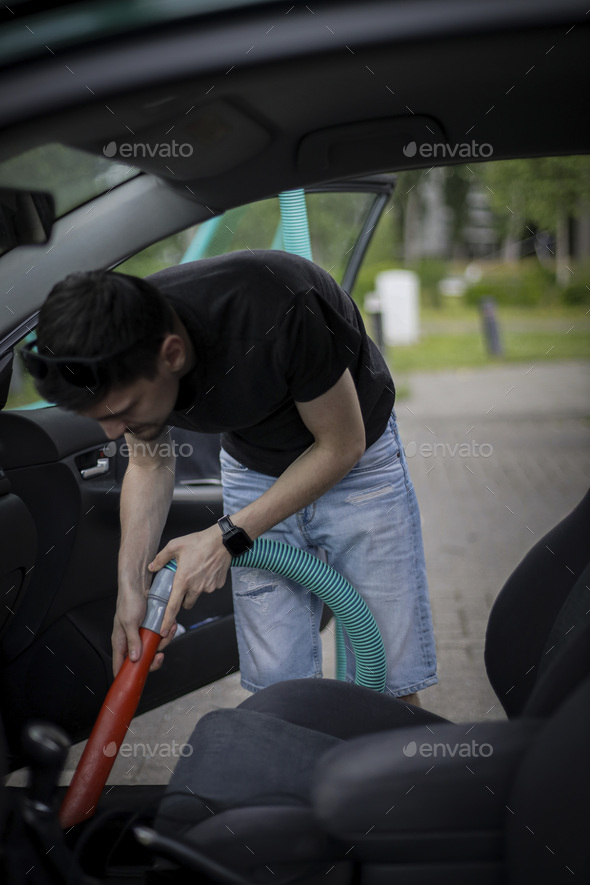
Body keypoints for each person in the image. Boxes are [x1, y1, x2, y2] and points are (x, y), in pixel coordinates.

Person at [26, 249, 437, 703]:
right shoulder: (122, 346)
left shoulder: (279, 307)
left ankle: (399, 768)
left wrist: (226, 538)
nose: (113, 431)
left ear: (173, 354)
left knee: (392, 686)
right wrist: (130, 589)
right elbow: (148, 462)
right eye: (98, 417)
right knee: (278, 688)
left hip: (356, 462)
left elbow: (341, 445)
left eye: (122, 412)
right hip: (254, 465)